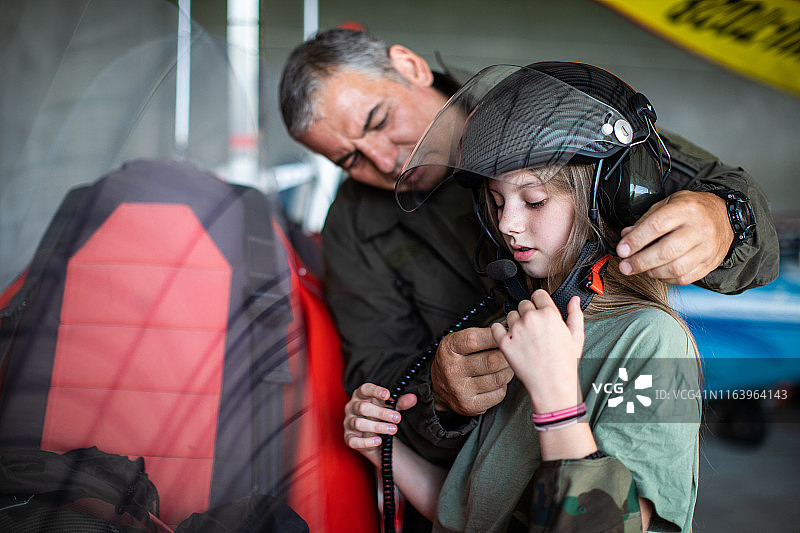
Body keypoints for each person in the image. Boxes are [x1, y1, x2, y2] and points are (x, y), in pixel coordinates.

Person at [279, 29, 776, 466]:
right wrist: (438, 394)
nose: (384, 161)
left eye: (379, 120)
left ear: (409, 66)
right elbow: (377, 372)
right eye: (349, 160)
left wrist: (724, 217)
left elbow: (733, 208)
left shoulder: (549, 106)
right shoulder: (353, 225)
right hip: (488, 467)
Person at [344, 62, 701, 532]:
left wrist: (555, 398)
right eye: (497, 202)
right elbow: (470, 515)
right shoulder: (518, 324)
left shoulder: (649, 342)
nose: (508, 224)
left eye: (534, 201)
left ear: (604, 198)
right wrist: (381, 448)